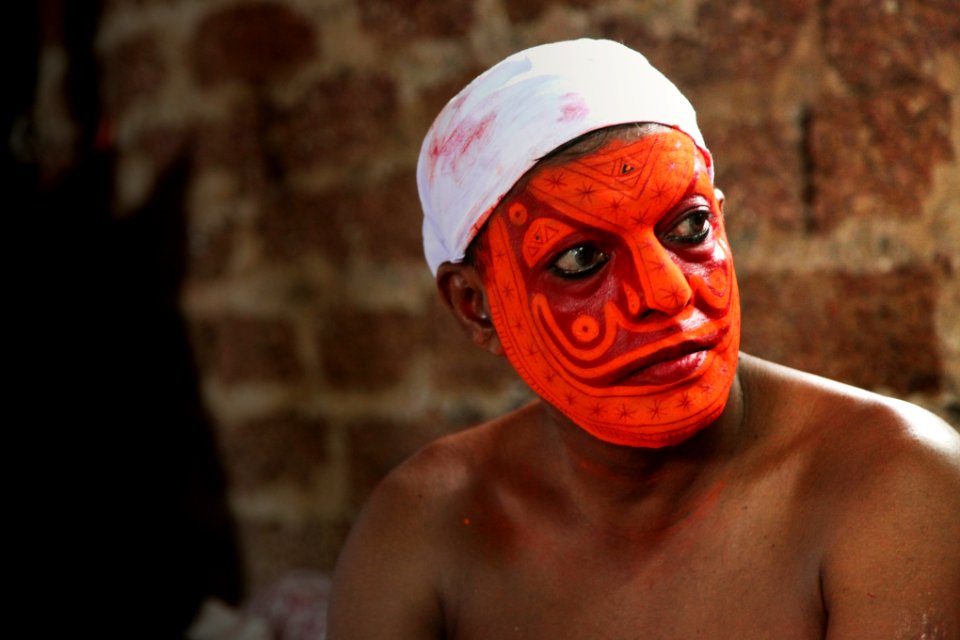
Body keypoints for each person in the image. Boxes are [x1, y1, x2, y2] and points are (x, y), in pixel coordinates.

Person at [327, 39, 960, 638]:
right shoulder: (422, 532)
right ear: (475, 307)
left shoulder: (894, 484)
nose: (666, 292)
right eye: (580, 261)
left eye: (688, 227)